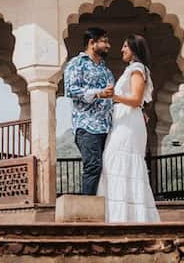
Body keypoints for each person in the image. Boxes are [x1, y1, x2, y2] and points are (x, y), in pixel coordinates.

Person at [98, 33, 161, 223]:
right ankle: (121, 215)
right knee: (114, 161)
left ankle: (127, 217)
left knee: (119, 161)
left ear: (134, 49)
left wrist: (114, 97)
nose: (122, 50)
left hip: (128, 123)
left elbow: (135, 99)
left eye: (125, 46)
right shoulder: (134, 69)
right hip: (125, 121)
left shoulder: (137, 68)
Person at [63, 26, 114, 195]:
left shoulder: (105, 70)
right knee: (93, 166)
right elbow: (70, 90)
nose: (108, 46)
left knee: (108, 169)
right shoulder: (77, 64)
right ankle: (88, 210)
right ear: (92, 43)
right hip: (87, 126)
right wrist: (98, 93)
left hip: (107, 127)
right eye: (104, 41)